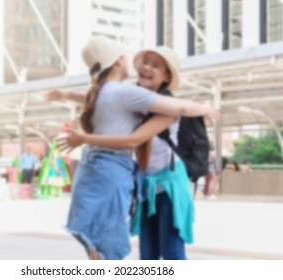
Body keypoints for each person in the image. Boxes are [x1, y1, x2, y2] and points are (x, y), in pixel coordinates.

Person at [47, 36, 220, 260]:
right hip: (146, 185)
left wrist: (204, 109)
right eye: (145, 62)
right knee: (147, 255)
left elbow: (134, 137)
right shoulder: (132, 97)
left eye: (155, 65)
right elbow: (103, 99)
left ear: (167, 76)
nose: (146, 67)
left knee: (172, 254)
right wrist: (66, 94)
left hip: (169, 185)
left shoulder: (166, 110)